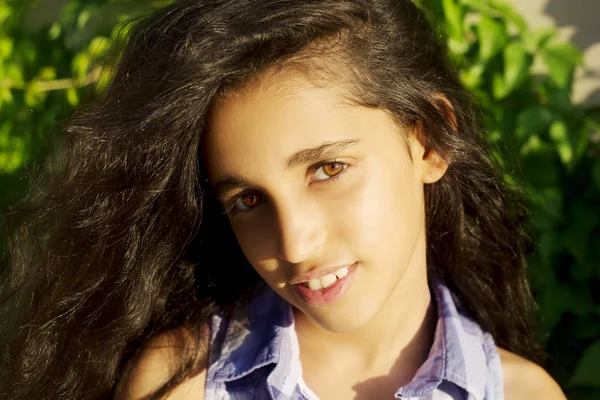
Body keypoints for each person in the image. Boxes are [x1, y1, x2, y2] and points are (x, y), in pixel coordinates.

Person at [1, 0, 567, 399]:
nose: (294, 243)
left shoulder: (524, 394)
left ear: (428, 141)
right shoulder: (185, 386)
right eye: (248, 200)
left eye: (328, 169)